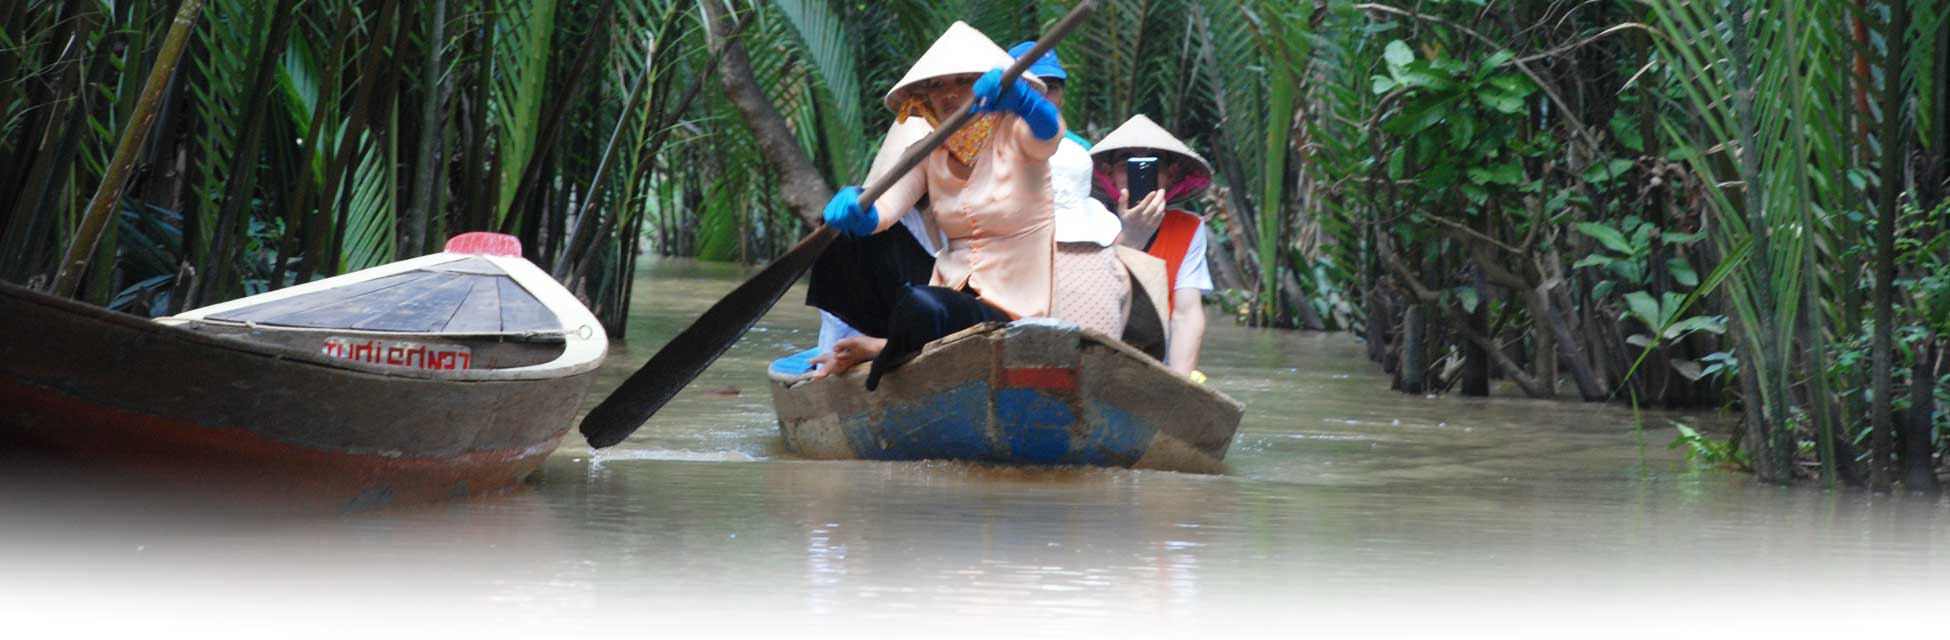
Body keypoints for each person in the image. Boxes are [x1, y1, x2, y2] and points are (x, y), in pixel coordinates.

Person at [815, 22, 1065, 390]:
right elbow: (885, 211)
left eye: (964, 81)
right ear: (925, 97)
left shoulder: (1017, 131)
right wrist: (860, 214)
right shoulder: (929, 148)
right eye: (938, 85)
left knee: (923, 305)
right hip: (946, 295)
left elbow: (1049, 133)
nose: (949, 94)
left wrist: (1023, 102)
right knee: (843, 238)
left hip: (1009, 310)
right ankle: (879, 339)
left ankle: (882, 346)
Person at [1006, 41, 1170, 356]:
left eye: (1051, 87)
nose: (1041, 96)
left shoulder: (1080, 154)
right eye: (1030, 88)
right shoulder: (980, 148)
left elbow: (1108, 245)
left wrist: (1133, 231)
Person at [1090, 114, 1215, 377]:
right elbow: (1092, 303)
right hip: (1096, 353)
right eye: (1127, 165)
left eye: (1151, 166)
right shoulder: (1087, 221)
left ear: (1169, 175)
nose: (1139, 176)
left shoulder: (1188, 228)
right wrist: (1132, 237)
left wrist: (1179, 384)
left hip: (1156, 361)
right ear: (1110, 175)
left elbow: (1186, 314)